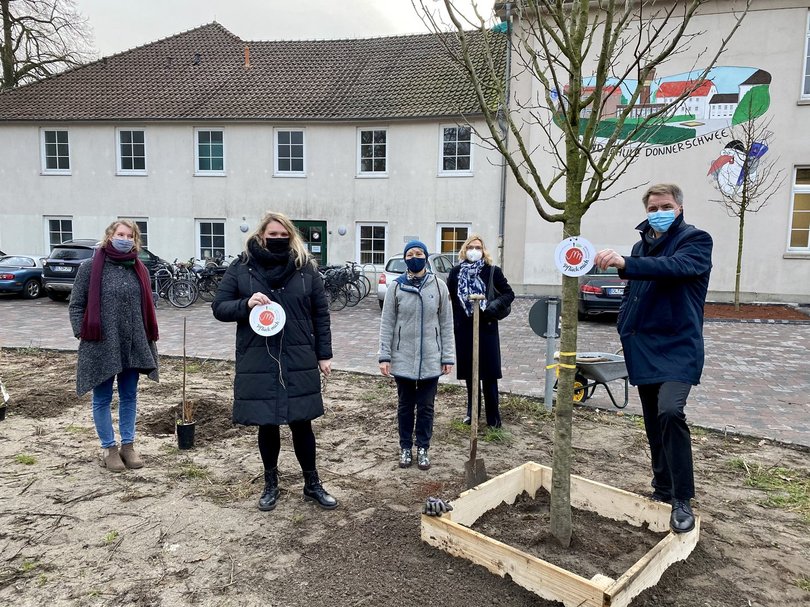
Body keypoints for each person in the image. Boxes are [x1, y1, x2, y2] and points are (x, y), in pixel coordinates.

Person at [594, 183, 712, 534]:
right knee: (651, 420)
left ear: (679, 207)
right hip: (642, 345)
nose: (658, 212)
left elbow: (674, 268)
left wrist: (626, 263)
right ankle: (662, 488)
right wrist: (624, 323)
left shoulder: (696, 240)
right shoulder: (639, 244)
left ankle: (682, 498)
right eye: (652, 208)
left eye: (665, 205)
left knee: (670, 411)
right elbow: (634, 288)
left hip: (679, 344)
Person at [212, 211, 337, 512]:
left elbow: (320, 314)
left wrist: (324, 353)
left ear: (291, 236)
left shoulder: (305, 269)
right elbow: (219, 306)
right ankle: (271, 483)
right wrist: (246, 303)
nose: (278, 240)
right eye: (273, 235)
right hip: (259, 356)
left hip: (298, 355)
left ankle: (312, 483)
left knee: (302, 423)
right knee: (266, 423)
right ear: (261, 235)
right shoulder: (242, 267)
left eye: (284, 235)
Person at [69, 220, 159, 472]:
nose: (125, 239)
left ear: (135, 240)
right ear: (110, 236)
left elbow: (147, 306)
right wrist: (82, 332)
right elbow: (76, 305)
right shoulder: (90, 267)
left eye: (130, 236)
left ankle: (128, 446)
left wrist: (146, 335)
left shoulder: (139, 268)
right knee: (102, 398)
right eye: (120, 234)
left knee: (129, 395)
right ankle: (109, 448)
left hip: (132, 344)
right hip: (101, 345)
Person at [379, 240, 454, 470]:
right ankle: (405, 447)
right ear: (405, 259)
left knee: (426, 407)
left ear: (425, 256)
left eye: (419, 253)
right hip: (403, 358)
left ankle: (423, 447)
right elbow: (387, 323)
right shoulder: (396, 287)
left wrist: (447, 356)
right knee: (405, 405)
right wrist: (385, 356)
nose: (414, 256)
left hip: (431, 358)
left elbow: (446, 323)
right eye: (410, 254)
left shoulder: (439, 285)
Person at [446, 234, 514, 429]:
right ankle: (472, 413)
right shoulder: (456, 273)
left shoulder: (492, 271)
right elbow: (451, 298)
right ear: (464, 250)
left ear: (483, 250)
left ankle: (493, 417)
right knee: (470, 374)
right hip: (465, 331)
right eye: (470, 247)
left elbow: (510, 293)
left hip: (487, 328)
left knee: (489, 375)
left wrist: (495, 304)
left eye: (478, 247)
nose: (474, 251)